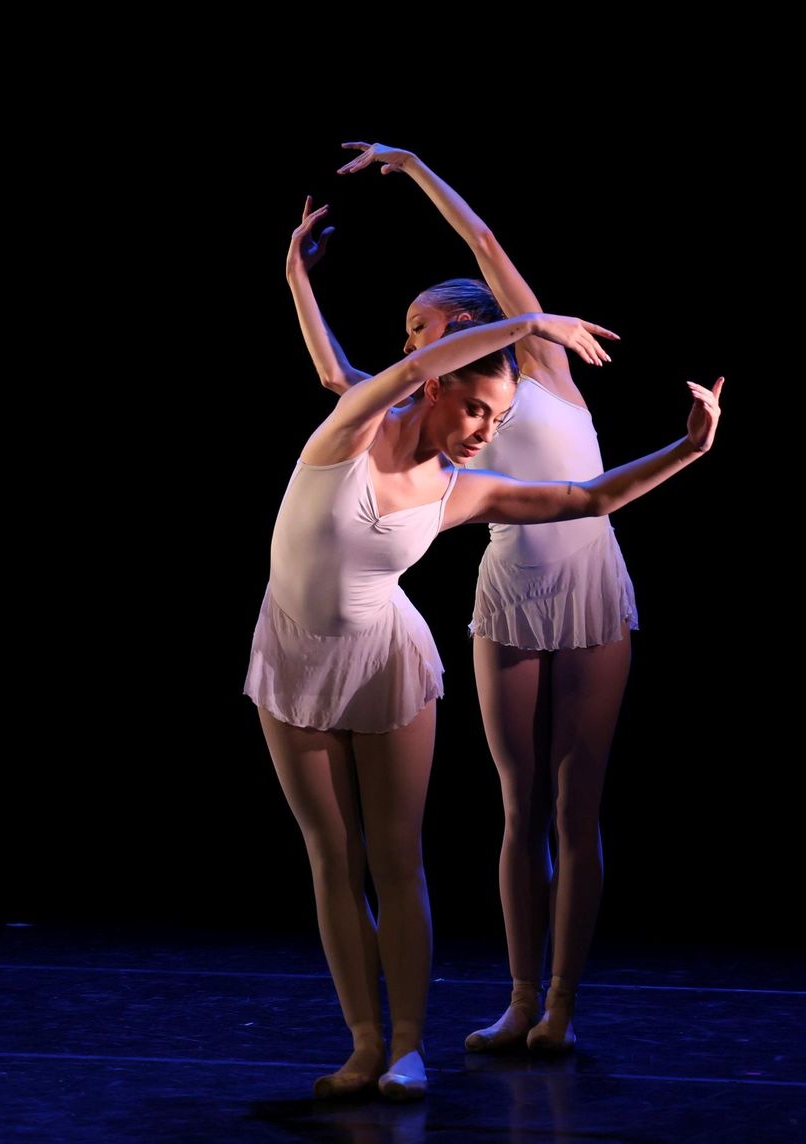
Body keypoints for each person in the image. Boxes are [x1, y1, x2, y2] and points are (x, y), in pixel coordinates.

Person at [250, 221, 721, 1100]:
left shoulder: (460, 491)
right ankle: (362, 1044)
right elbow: (360, 366)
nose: (483, 431)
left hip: (387, 659)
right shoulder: (347, 434)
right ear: (432, 390)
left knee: (395, 857)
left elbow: (588, 496)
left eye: (498, 418)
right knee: (329, 855)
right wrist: (529, 322)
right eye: (472, 409)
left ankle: (407, 1048)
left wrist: (690, 449)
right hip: (294, 655)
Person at [295, 141, 644, 1053]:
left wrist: (410, 167)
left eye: (425, 326)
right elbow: (341, 380)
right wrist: (299, 278)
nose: (414, 343)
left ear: (471, 321)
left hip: (590, 577)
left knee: (577, 803)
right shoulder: (445, 406)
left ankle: (562, 1003)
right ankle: (522, 998)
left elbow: (483, 238)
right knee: (518, 802)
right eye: (411, 337)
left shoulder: (544, 363)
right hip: (513, 584)